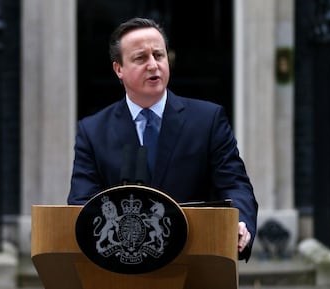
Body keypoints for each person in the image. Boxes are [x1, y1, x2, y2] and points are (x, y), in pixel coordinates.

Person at [68, 17, 258, 261]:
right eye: (140, 58)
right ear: (119, 69)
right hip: (120, 269)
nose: (153, 65)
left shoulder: (207, 120)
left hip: (195, 261)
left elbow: (235, 184)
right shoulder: (93, 131)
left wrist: (239, 223)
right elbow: (81, 204)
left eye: (158, 55)